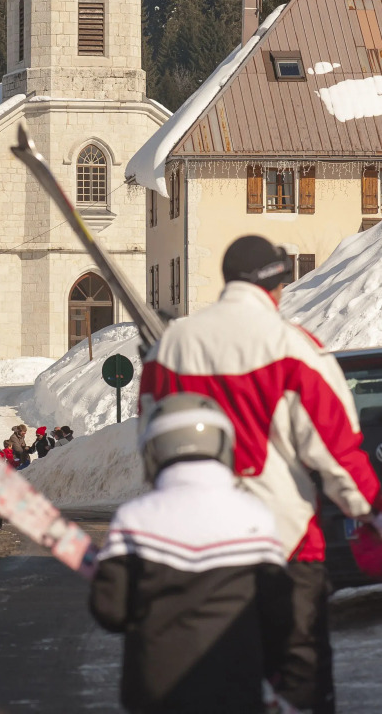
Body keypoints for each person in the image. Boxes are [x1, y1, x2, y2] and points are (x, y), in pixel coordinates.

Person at [139, 234, 382, 714]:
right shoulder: (293, 346)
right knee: (298, 676)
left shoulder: (171, 348)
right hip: (283, 544)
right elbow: (337, 451)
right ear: (277, 286)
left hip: (198, 548)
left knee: (216, 682)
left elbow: (153, 447)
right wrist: (370, 509)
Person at [91, 393, 293, 714]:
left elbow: (110, 611)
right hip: (237, 689)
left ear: (152, 452)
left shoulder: (135, 519)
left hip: (155, 693)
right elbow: (280, 618)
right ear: (224, 447)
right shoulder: (256, 517)